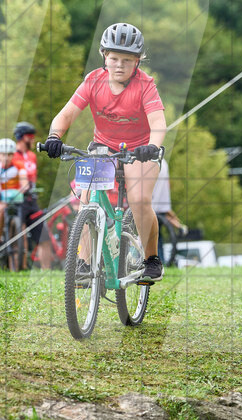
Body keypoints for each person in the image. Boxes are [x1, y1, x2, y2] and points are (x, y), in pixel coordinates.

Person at [43, 22, 166, 283]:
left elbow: (158, 124)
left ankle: (152, 259)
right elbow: (66, 114)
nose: (119, 65)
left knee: (139, 200)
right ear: (104, 57)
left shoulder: (145, 85)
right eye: (114, 58)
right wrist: (55, 136)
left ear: (137, 62)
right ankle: (85, 264)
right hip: (103, 148)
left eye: (127, 60)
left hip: (140, 149)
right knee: (85, 200)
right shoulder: (93, 81)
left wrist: (152, 147)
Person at [13, 121, 54, 269]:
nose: (33, 139)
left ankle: (46, 270)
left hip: (32, 200)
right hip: (18, 200)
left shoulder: (31, 156)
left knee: (43, 236)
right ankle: (21, 267)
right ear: (21, 137)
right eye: (30, 136)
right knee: (21, 234)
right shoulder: (12, 156)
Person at [0, 137, 27, 268]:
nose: (6, 157)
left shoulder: (18, 166)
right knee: (0, 210)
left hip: (16, 198)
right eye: (3, 154)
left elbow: (24, 181)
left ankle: (20, 254)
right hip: (1, 198)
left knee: (21, 225)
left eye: (9, 154)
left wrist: (24, 187)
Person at [151, 159, 186, 264]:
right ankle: (160, 262)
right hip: (160, 208)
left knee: (153, 237)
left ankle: (158, 263)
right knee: (157, 237)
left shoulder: (152, 163)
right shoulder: (163, 162)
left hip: (152, 207)